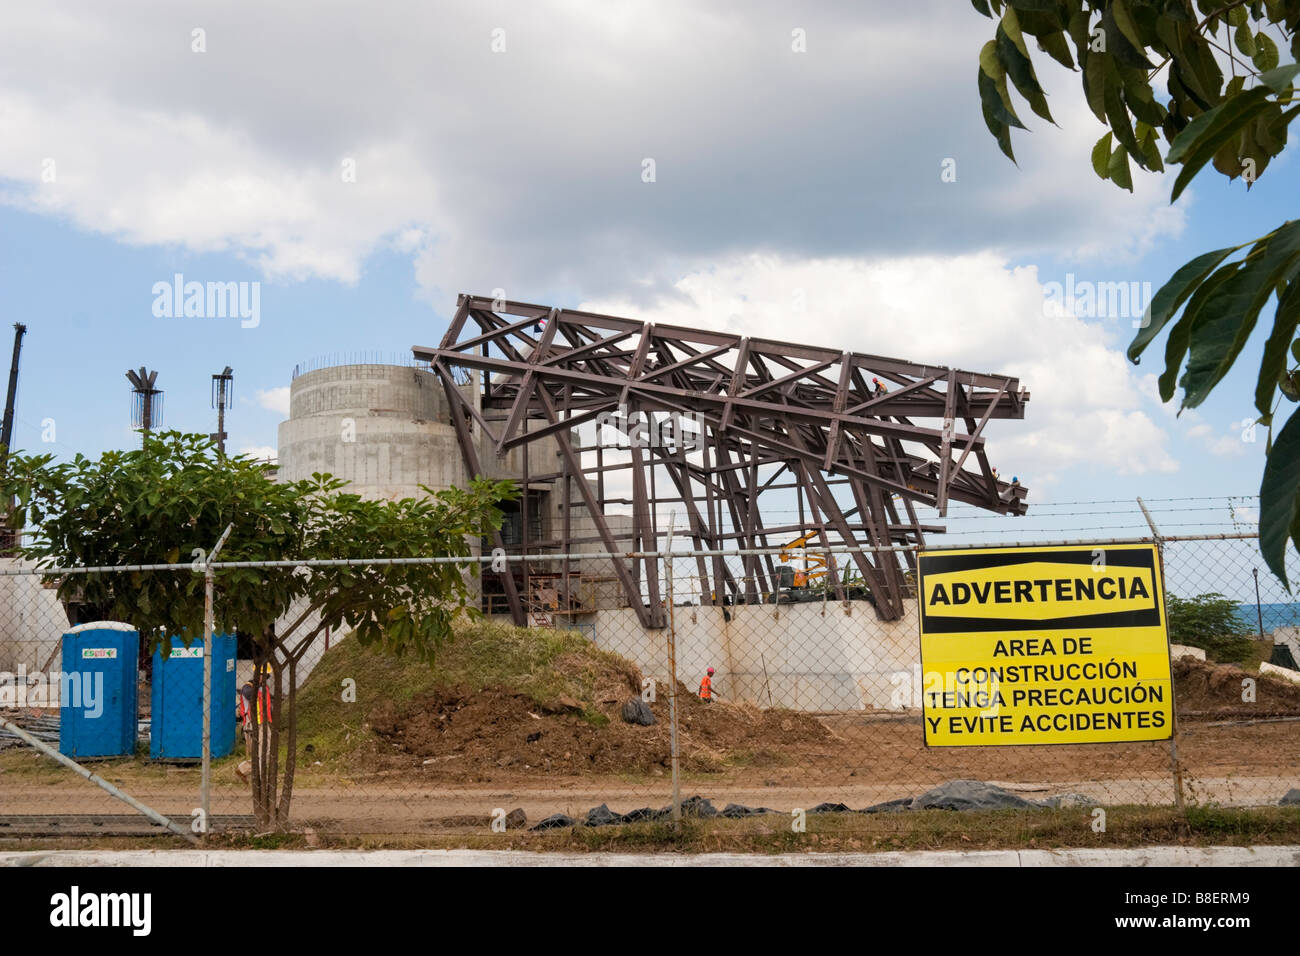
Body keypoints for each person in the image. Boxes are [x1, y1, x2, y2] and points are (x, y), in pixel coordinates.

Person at [235, 668, 273, 782]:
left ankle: (243, 770)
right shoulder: (248, 688)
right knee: (262, 752)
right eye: (262, 675)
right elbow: (251, 695)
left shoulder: (264, 687)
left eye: (266, 676)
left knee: (265, 751)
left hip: (263, 723)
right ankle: (261, 778)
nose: (264, 678)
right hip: (252, 725)